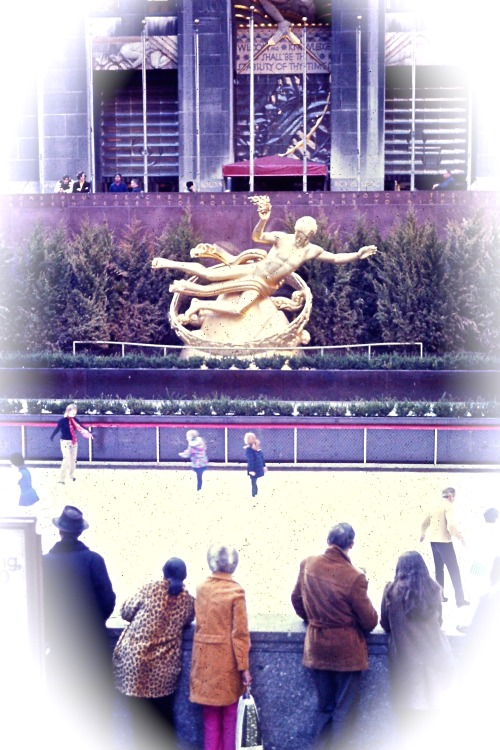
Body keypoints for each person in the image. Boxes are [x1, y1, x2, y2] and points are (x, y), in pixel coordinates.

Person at [151, 195, 377, 323]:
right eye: (297, 233)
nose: (298, 237)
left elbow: (336, 258)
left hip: (265, 286)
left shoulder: (312, 250)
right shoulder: (281, 238)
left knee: (239, 309)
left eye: (303, 236)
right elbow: (257, 236)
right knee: (209, 274)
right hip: (254, 271)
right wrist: (263, 219)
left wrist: (357, 254)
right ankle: (167, 263)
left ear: (309, 236)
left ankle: (199, 303)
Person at [291, 522, 378, 750]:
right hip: (347, 654)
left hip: (317, 648)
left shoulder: (308, 564)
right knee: (344, 711)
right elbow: (369, 622)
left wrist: (313, 618)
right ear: (351, 544)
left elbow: (297, 600)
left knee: (324, 707)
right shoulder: (355, 577)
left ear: (328, 540)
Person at [42, 505, 116, 745]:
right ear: (79, 532)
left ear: (60, 531)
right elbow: (108, 600)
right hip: (91, 647)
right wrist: (93, 622)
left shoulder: (44, 563)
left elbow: (39, 601)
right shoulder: (94, 560)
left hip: (59, 647)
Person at [113, 557, 195, 750]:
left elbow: (125, 611)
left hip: (134, 665)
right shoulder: (188, 601)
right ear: (184, 577)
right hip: (164, 670)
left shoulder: (149, 589)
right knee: (164, 719)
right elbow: (189, 619)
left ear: (163, 572)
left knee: (140, 721)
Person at [380, 551, 455, 749]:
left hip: (406, 664)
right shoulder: (433, 589)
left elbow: (385, 624)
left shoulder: (390, 591)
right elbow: (439, 621)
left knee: (407, 723)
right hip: (435, 659)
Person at [189, 544, 251, 750]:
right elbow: (239, 634)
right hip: (227, 662)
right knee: (230, 715)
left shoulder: (201, 588)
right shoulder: (236, 591)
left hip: (204, 660)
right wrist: (244, 668)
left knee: (210, 717)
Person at [420, 487, 469, 607]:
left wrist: (422, 534)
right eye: (454, 497)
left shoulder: (434, 506)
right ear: (451, 496)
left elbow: (424, 522)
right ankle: (460, 600)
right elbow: (451, 525)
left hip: (433, 542)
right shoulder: (448, 506)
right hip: (445, 542)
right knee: (454, 571)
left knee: (439, 570)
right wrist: (460, 537)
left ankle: (440, 596)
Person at [49, 403, 93, 484]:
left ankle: (71, 475)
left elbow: (81, 427)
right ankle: (61, 479)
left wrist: (88, 432)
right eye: (73, 412)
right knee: (66, 459)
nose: (74, 414)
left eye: (75, 412)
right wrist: (52, 436)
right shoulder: (62, 421)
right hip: (65, 442)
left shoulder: (75, 420)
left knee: (73, 460)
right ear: (68, 411)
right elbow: (57, 429)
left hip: (73, 442)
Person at [243, 431, 267, 498]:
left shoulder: (248, 450)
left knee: (253, 482)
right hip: (259, 467)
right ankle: (255, 494)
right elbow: (261, 457)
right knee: (254, 481)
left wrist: (250, 470)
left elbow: (251, 461)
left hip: (254, 468)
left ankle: (254, 494)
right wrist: (264, 466)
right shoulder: (257, 447)